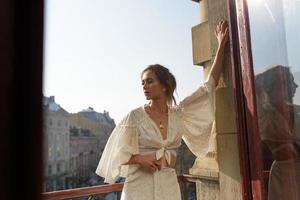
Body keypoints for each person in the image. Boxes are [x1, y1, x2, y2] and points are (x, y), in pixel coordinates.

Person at [95, 20, 229, 200]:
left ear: (164, 85)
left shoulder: (179, 115)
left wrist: (221, 45)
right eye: (142, 82)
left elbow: (209, 86)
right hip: (138, 190)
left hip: (168, 189)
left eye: (150, 81)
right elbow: (115, 155)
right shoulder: (134, 117)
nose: (144, 86)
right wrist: (139, 159)